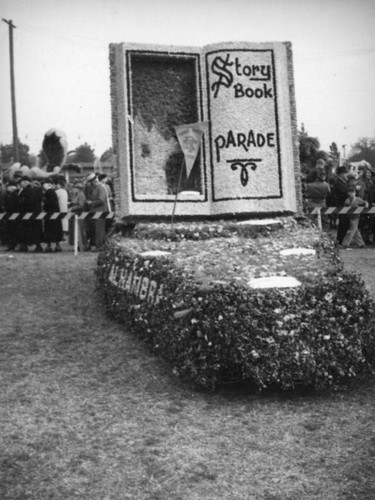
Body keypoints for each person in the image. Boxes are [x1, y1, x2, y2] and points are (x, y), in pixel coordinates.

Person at [17, 175, 44, 252]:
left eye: (21, 182)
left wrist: (21, 205)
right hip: (34, 214)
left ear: (26, 182)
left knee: (27, 230)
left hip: (28, 214)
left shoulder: (27, 191)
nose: (21, 184)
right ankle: (37, 246)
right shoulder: (33, 190)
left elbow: (25, 202)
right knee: (35, 231)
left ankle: (25, 246)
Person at [84, 173, 108, 250]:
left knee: (99, 230)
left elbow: (101, 200)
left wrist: (91, 203)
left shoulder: (100, 188)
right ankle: (99, 245)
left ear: (94, 181)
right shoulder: (97, 188)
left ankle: (100, 246)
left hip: (100, 212)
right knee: (97, 230)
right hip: (96, 212)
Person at [42, 179, 63, 252]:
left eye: (45, 184)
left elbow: (48, 203)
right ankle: (57, 246)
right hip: (55, 214)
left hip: (50, 214)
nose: (43, 185)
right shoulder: (53, 192)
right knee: (56, 230)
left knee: (49, 230)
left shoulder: (48, 192)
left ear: (49, 184)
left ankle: (49, 246)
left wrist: (44, 206)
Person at [330, 166, 349, 245]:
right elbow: (342, 192)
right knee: (343, 223)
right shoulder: (338, 182)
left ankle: (340, 240)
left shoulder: (342, 181)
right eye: (345, 173)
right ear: (341, 174)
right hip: (341, 204)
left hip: (343, 204)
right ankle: (339, 240)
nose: (346, 175)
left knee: (344, 223)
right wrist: (348, 196)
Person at [355, 167, 375, 244]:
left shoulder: (371, 182)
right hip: (363, 204)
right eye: (367, 173)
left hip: (370, 203)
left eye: (369, 173)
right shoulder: (360, 182)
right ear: (364, 174)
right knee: (363, 222)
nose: (369, 174)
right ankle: (364, 238)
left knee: (369, 221)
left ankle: (367, 238)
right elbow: (359, 193)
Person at [68, 182, 88, 249]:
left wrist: (72, 208)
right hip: (74, 214)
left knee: (81, 230)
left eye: (75, 188)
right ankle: (78, 245)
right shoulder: (75, 195)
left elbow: (81, 206)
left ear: (78, 189)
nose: (73, 189)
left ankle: (83, 245)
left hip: (79, 214)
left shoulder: (81, 195)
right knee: (75, 230)